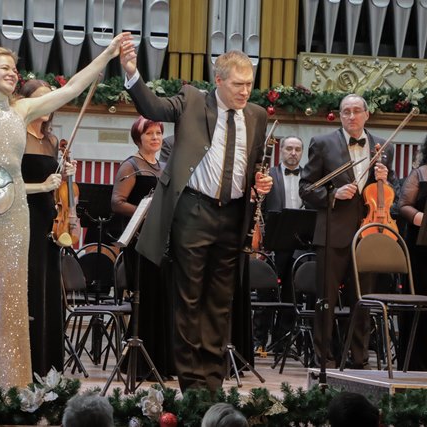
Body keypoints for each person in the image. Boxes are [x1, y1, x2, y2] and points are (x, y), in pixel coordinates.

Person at [0, 33, 130, 391]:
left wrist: (106, 54)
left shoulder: (22, 110)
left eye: (15, 69)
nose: (12, 73)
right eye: (5, 68)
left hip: (16, 215)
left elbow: (72, 88)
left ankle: (10, 383)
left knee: (12, 299)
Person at [119, 44, 273, 393]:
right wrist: (131, 72)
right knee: (188, 299)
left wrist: (259, 180)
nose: (245, 91)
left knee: (220, 303)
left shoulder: (256, 115)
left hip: (233, 215)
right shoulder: (192, 101)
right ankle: (192, 386)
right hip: (194, 210)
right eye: (238, 84)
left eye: (249, 84)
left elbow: (253, 164)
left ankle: (212, 383)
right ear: (218, 80)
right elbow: (153, 107)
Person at [299, 94, 394, 369]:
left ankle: (359, 358)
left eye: (356, 111)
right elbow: (306, 188)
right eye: (346, 112)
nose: (351, 116)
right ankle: (323, 358)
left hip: (368, 234)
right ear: (340, 116)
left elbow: (388, 194)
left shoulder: (383, 146)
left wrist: (385, 180)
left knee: (362, 300)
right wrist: (333, 194)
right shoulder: (322, 143)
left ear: (366, 114)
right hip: (332, 233)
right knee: (325, 300)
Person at [18, 78, 75, 376]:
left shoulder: (52, 142)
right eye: (41, 98)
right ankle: (27, 363)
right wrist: (41, 185)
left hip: (50, 222)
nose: (48, 105)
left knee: (49, 290)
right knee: (30, 288)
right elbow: (7, 183)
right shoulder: (17, 137)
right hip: (23, 218)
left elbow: (58, 189)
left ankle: (48, 365)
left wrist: (66, 175)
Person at [111, 115, 175, 379]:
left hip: (161, 241)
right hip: (139, 242)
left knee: (162, 300)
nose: (155, 138)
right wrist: (146, 212)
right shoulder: (130, 165)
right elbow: (117, 202)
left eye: (158, 133)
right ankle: (138, 365)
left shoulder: (162, 166)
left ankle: (160, 363)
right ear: (139, 137)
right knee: (146, 300)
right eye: (150, 133)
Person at [254, 136, 305, 353]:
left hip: (299, 244)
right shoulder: (270, 175)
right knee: (266, 293)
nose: (293, 153)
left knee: (292, 296)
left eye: (298, 149)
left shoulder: (308, 178)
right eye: (289, 148)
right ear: (281, 151)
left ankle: (282, 343)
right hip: (273, 243)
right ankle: (258, 340)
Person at [397, 137, 427, 370]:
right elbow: (403, 206)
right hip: (421, 251)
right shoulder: (420, 173)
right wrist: (423, 220)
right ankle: (416, 363)